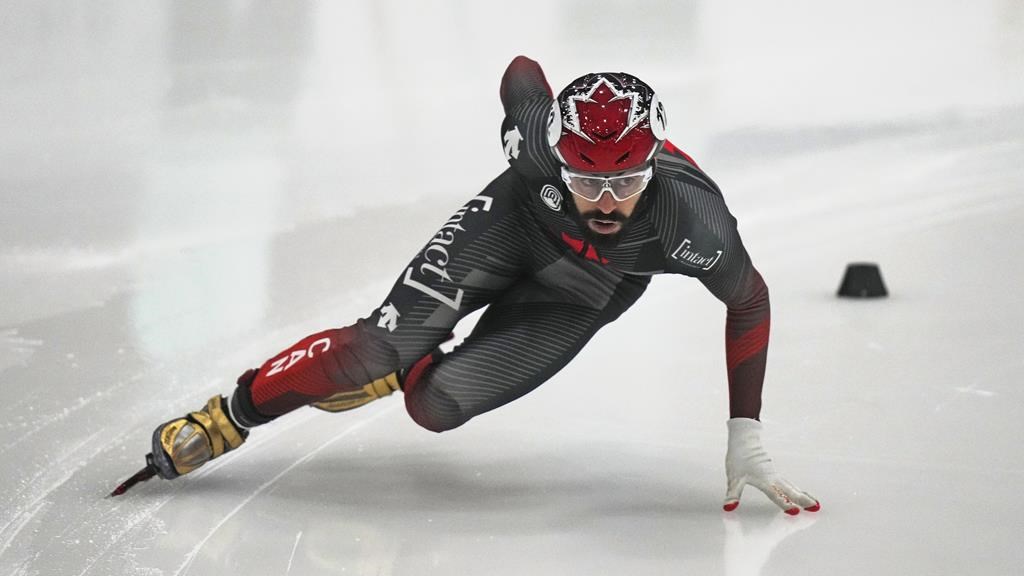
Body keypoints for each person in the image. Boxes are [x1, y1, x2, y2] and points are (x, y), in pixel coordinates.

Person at [140, 56, 819, 515]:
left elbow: (748, 300)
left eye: (627, 182)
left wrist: (744, 433)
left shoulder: (692, 219)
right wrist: (519, 123)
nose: (607, 202)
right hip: (509, 230)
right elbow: (523, 74)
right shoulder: (534, 148)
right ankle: (230, 415)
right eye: (586, 182)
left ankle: (414, 366)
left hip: (590, 287)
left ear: (655, 167)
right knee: (375, 349)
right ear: (557, 159)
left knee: (433, 406)